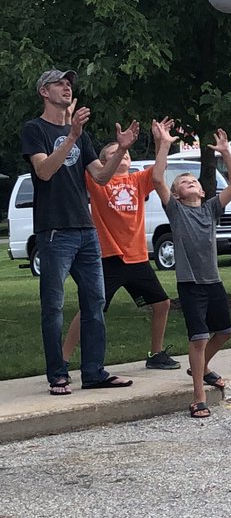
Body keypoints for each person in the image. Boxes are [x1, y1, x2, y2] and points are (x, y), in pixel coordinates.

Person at [21, 68, 138, 395]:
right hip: (55, 229)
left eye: (69, 83)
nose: (67, 87)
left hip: (85, 230)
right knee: (54, 306)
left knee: (95, 302)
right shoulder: (34, 130)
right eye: (59, 83)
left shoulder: (81, 135)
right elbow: (44, 171)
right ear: (44, 91)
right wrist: (71, 135)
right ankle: (57, 374)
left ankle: (93, 372)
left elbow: (100, 176)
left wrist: (122, 149)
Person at [151, 118, 231, 418]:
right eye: (183, 183)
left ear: (203, 191)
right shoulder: (175, 211)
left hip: (212, 281)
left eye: (194, 181)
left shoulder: (211, 210)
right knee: (199, 338)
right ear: (176, 195)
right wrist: (163, 145)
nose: (191, 183)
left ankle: (198, 368)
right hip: (190, 284)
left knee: (225, 332)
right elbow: (156, 179)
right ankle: (198, 397)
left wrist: (225, 153)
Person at [62, 141, 177, 371]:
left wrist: (163, 143)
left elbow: (158, 172)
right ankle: (62, 359)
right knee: (90, 308)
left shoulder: (137, 181)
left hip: (137, 258)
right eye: (115, 152)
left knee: (162, 303)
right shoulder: (98, 181)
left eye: (125, 152)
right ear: (104, 162)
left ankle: (156, 354)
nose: (122, 154)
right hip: (109, 258)